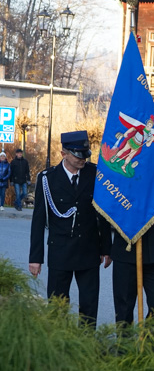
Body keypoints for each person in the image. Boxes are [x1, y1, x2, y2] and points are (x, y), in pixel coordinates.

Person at [28, 131, 112, 326]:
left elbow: (103, 214)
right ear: (63, 153)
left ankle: (85, 347)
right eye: (77, 155)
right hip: (60, 252)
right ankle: (59, 349)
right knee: (58, 307)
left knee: (89, 306)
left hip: (89, 251)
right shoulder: (47, 178)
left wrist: (107, 249)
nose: (83, 159)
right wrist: (35, 258)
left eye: (85, 155)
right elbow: (38, 220)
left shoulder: (95, 174)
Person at [111, 220, 154, 326]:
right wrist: (104, 246)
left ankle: (151, 342)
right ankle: (125, 342)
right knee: (124, 309)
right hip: (125, 249)